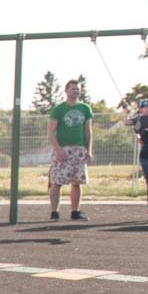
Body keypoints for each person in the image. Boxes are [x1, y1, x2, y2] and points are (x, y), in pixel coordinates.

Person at [48, 79, 94, 220]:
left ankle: (75, 211)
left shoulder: (85, 108)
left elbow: (88, 131)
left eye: (77, 89)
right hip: (64, 148)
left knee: (77, 181)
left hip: (79, 149)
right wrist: (58, 149)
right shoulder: (59, 109)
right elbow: (51, 132)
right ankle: (54, 212)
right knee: (57, 181)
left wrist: (89, 149)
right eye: (72, 88)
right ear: (66, 90)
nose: (75, 91)